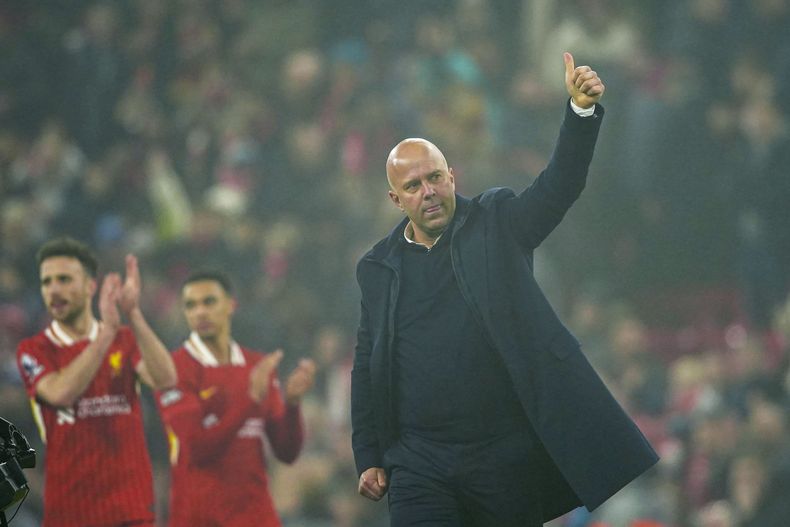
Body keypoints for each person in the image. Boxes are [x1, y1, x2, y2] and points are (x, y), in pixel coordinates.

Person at [351, 52, 659, 526]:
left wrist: (579, 113)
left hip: (502, 455)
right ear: (396, 199)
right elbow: (368, 361)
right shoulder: (377, 267)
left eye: (435, 177)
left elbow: (560, 186)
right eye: (413, 186)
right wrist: (369, 452)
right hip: (419, 461)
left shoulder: (496, 223)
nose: (428, 191)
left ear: (452, 176)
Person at [15, 236, 177, 527]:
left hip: (130, 509)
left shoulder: (125, 340)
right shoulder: (34, 349)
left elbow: (166, 379)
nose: (54, 289)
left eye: (64, 279)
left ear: (91, 286)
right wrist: (105, 335)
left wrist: (134, 314)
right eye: (47, 281)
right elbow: (61, 393)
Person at [156, 270, 316, 527]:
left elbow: (286, 452)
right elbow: (197, 449)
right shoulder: (174, 370)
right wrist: (250, 400)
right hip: (199, 517)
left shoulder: (257, 366)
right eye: (191, 305)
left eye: (209, 302)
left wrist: (293, 404)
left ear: (231, 305)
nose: (200, 312)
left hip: (255, 516)